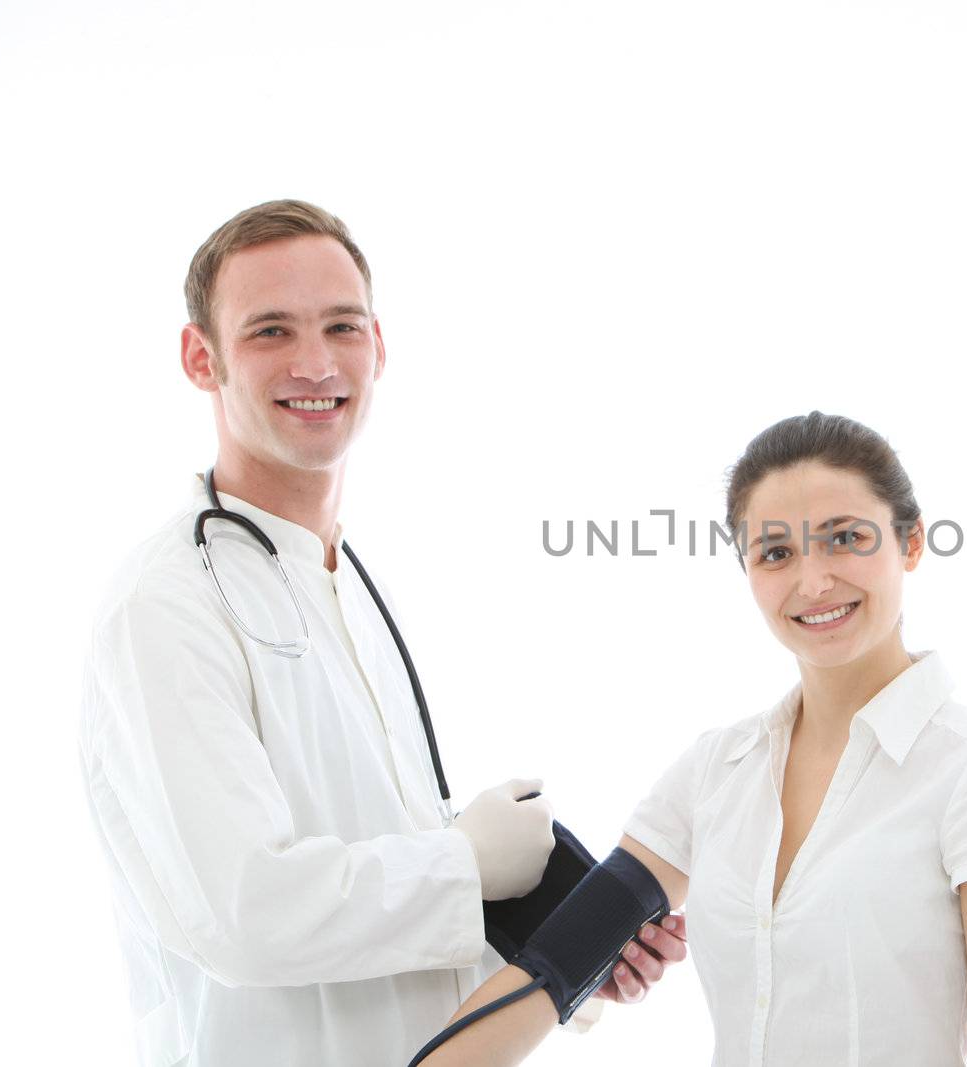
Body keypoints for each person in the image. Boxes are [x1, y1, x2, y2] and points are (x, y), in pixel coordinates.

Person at [78, 199, 684, 1067]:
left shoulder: (350, 582)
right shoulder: (166, 603)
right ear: (199, 358)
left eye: (341, 326)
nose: (316, 362)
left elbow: (386, 916)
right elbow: (247, 912)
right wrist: (467, 866)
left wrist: (566, 949)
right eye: (271, 331)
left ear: (380, 346)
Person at [425, 411, 967, 1067]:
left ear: (911, 542)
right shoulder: (717, 769)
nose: (813, 580)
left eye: (845, 538)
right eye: (776, 551)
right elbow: (554, 967)